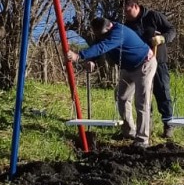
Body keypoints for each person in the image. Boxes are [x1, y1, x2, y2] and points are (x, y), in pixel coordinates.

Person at [66, 17, 157, 147]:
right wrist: (92, 59)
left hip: (145, 65)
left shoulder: (118, 33)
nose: (99, 36)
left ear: (109, 27)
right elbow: (99, 44)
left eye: (102, 34)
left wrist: (79, 55)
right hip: (128, 68)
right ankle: (129, 131)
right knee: (122, 97)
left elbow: (104, 46)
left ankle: (142, 140)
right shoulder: (104, 33)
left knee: (141, 102)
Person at [123, 0, 177, 139]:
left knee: (162, 93)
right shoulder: (128, 25)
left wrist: (163, 38)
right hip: (141, 64)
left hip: (158, 61)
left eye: (128, 11)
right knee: (143, 95)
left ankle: (168, 124)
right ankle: (148, 124)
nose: (126, 15)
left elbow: (172, 30)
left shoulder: (153, 16)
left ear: (135, 6)